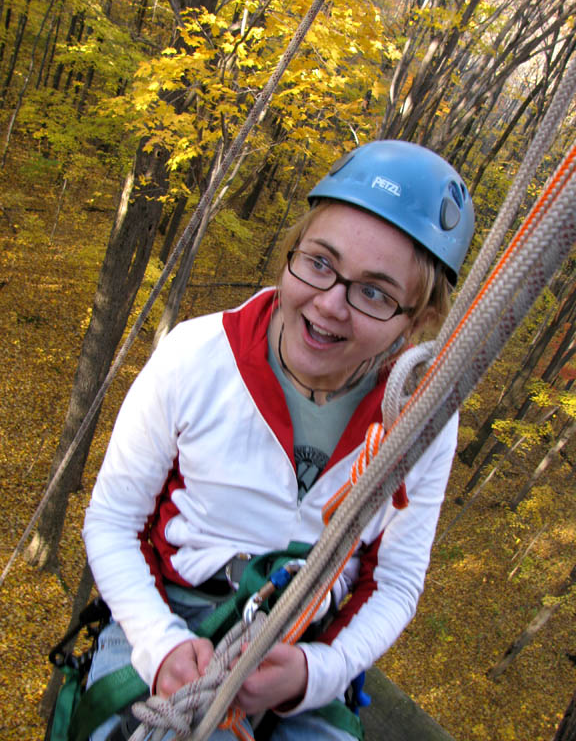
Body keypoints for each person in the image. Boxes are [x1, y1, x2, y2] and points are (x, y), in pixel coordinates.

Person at [83, 140, 475, 740]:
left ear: (415, 321)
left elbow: (393, 580)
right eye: (319, 262)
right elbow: (112, 521)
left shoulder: (421, 420)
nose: (329, 304)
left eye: (374, 292)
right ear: (292, 251)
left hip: (306, 640)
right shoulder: (199, 357)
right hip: (167, 610)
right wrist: (160, 645)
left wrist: (314, 674)